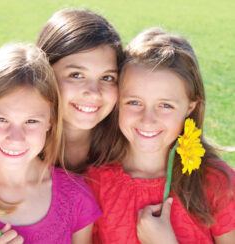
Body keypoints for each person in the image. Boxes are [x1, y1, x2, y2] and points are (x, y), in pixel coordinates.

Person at [0, 43, 101, 244]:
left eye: (31, 121)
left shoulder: (76, 197)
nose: (16, 138)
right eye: (1, 119)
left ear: (50, 120)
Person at [86, 28, 235, 244]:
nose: (147, 120)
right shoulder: (94, 183)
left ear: (190, 107)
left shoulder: (216, 182)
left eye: (165, 105)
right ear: (118, 101)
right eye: (134, 102)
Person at [36, 9, 124, 173]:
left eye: (107, 78)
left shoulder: (127, 150)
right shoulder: (15, 145)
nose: (94, 93)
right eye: (76, 75)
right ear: (44, 73)